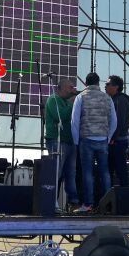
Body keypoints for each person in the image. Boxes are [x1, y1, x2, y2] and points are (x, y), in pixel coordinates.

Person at [70, 72, 117, 213]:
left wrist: (76, 141)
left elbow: (74, 121)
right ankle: (108, 205)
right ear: (98, 83)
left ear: (86, 83)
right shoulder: (107, 98)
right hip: (102, 139)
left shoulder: (81, 97)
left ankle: (88, 204)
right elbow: (114, 121)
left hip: (86, 139)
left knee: (87, 173)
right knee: (105, 172)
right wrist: (108, 137)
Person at [44, 77, 79, 208]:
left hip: (70, 141)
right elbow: (61, 116)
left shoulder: (66, 101)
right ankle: (52, 201)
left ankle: (73, 202)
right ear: (61, 88)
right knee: (57, 173)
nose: (73, 90)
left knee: (71, 173)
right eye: (70, 87)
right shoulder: (53, 99)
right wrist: (72, 104)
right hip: (57, 141)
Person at [106, 75, 129, 188]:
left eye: (108, 84)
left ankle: (124, 194)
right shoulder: (114, 100)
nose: (105, 86)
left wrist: (112, 138)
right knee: (111, 169)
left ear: (116, 87)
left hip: (117, 141)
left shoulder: (120, 100)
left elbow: (119, 122)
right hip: (115, 140)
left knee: (120, 169)